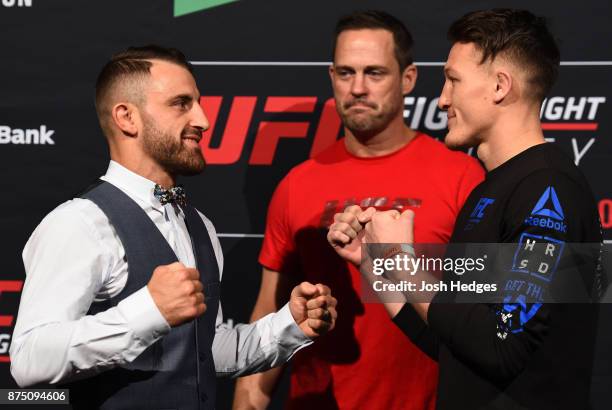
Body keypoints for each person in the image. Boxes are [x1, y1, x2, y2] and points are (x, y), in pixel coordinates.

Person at [9, 45, 338, 410]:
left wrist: (288, 326)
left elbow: (202, 351)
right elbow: (29, 359)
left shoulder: (200, 227)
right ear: (127, 118)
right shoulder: (81, 223)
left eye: (198, 102)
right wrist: (149, 310)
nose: (203, 120)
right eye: (181, 104)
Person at [328, 9, 603, 410]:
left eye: (453, 80)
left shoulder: (549, 189)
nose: (441, 99)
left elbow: (501, 344)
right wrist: (376, 266)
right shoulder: (488, 190)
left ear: (499, 86)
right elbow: (453, 343)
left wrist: (401, 259)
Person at [233, 10, 484, 410]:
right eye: (346, 73)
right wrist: (248, 403)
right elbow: (268, 312)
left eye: (375, 73)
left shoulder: (462, 176)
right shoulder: (297, 185)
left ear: (408, 79)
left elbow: (489, 309)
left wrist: (392, 262)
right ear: (332, 77)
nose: (358, 88)